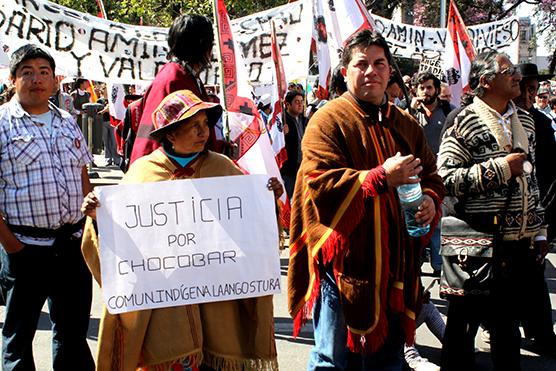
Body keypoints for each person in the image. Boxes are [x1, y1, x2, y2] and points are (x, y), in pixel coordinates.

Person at [81, 89, 282, 371]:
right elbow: (118, 241)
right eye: (194, 126)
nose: (203, 133)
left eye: (205, 125)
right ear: (171, 134)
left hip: (217, 296)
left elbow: (252, 226)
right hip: (165, 304)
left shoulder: (222, 167)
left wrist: (266, 199)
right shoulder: (142, 172)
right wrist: (98, 217)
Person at [287, 30, 445, 370]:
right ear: (345, 72)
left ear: (390, 73)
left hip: (396, 267)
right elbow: (319, 183)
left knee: (388, 360)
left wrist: (431, 199)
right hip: (343, 269)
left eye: (379, 64)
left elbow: (432, 174)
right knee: (333, 360)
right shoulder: (326, 121)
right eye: (361, 64)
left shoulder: (406, 124)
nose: (371, 71)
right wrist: (380, 177)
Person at [437, 51, 547, 371]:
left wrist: (538, 229)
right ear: (486, 81)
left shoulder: (525, 119)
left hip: (515, 242)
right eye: (507, 70)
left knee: (506, 328)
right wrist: (499, 169)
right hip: (472, 238)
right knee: (462, 326)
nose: (516, 75)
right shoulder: (462, 119)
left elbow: (531, 177)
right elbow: (446, 179)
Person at [0, 44, 95, 370]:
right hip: (25, 249)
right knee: (18, 339)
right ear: (13, 80)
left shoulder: (67, 121)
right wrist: (12, 246)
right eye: (27, 72)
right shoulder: (2, 124)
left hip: (71, 247)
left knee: (72, 334)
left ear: (55, 81)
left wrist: (89, 226)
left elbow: (82, 172)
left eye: (44, 72)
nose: (37, 79)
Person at [129, 14, 217, 165]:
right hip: (164, 172)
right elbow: (161, 138)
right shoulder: (174, 79)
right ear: (203, 44)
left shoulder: (186, 75)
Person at [513, 62, 556, 356]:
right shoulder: (503, 120)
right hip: (506, 218)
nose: (530, 96)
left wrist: (545, 219)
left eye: (533, 90)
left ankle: (542, 334)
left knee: (534, 275)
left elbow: (550, 172)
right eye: (525, 89)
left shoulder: (540, 123)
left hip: (537, 213)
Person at [410, 71, 454, 277]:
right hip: (413, 176)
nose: (426, 92)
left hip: (439, 176)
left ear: (436, 89)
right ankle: (414, 262)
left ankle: (438, 265)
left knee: (437, 221)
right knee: (415, 220)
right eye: (422, 88)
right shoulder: (409, 113)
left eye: (429, 87)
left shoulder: (449, 112)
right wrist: (409, 111)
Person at [281, 89, 307, 198]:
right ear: (288, 104)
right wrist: (281, 134)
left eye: (302, 101)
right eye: (297, 102)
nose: (300, 104)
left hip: (303, 165)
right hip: (289, 168)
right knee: (288, 197)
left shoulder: (305, 120)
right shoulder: (282, 121)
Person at [96, 85, 120, 166]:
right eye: (105, 90)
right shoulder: (99, 101)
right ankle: (108, 159)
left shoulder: (112, 100)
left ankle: (116, 159)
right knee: (106, 142)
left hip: (112, 122)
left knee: (114, 142)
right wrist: (104, 110)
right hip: (103, 122)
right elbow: (98, 112)